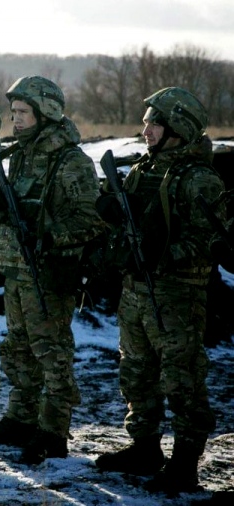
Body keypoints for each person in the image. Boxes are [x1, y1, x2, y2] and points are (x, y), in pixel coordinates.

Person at [94, 87, 222, 496]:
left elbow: (210, 241)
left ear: (178, 129)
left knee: (182, 379)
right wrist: (110, 214)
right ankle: (145, 447)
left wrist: (163, 255)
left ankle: (185, 462)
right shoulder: (142, 169)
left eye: (154, 124)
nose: (145, 130)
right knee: (136, 372)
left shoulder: (199, 179)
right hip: (136, 289)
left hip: (176, 296)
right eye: (146, 122)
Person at [0, 76, 103, 464]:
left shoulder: (71, 162)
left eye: (23, 112)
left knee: (52, 353)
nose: (15, 119)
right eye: (13, 112)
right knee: (18, 348)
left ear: (45, 113)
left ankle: (53, 429)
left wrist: (47, 231)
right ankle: (21, 416)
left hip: (49, 273)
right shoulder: (21, 154)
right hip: (17, 270)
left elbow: (91, 220)